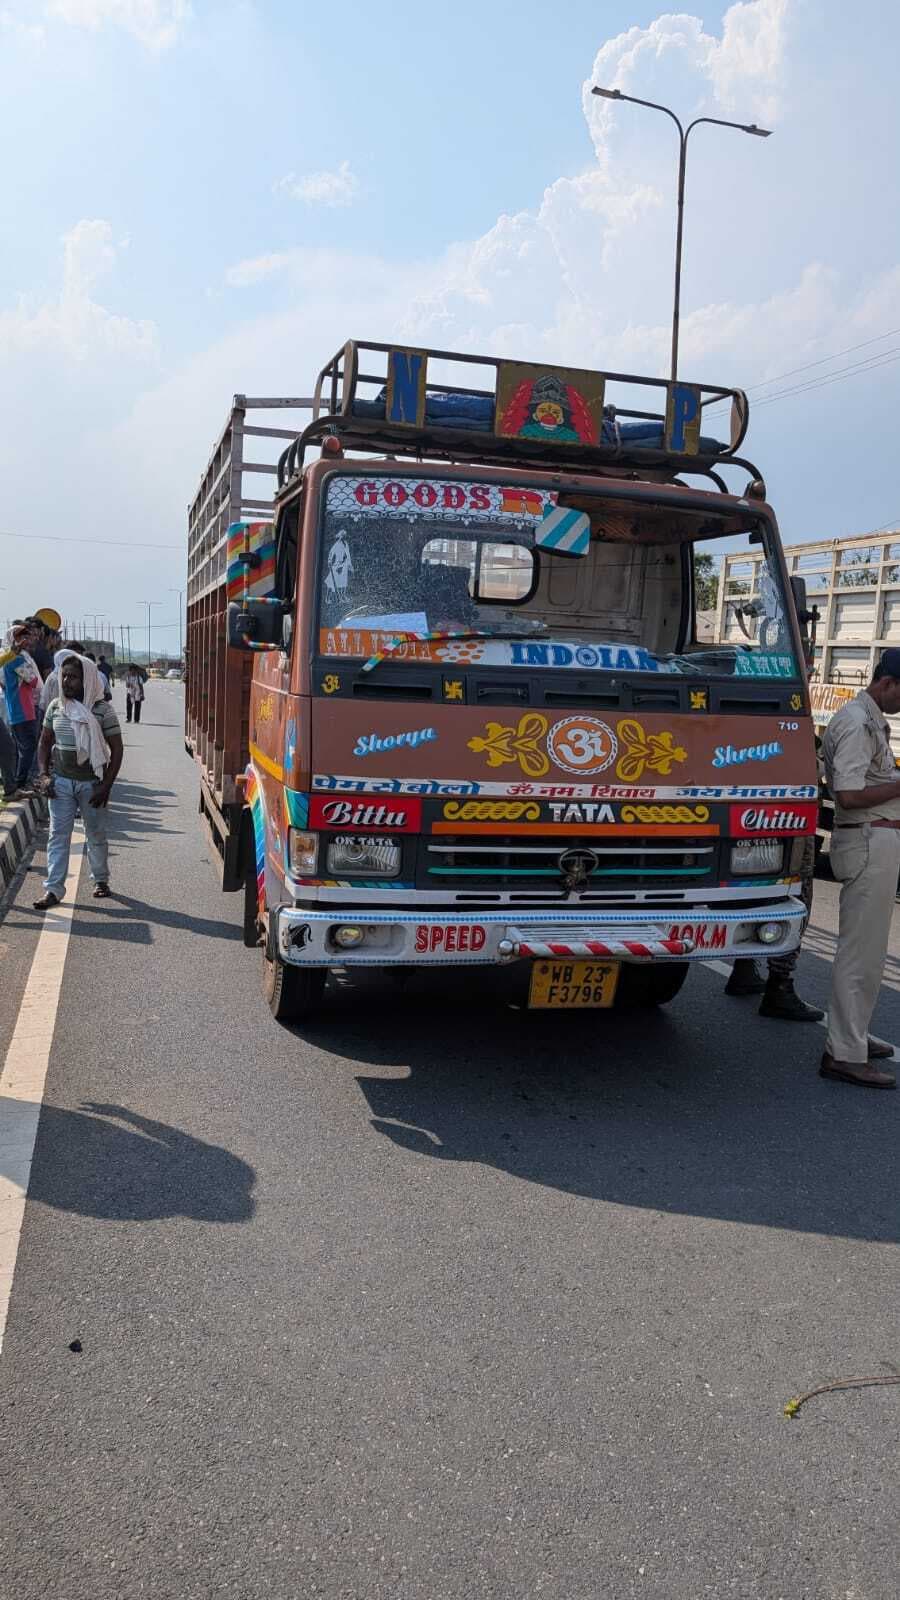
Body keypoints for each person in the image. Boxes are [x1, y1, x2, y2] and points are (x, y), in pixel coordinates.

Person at [816, 651, 900, 1089]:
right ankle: (844, 1054)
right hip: (867, 840)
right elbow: (848, 794)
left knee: (869, 953)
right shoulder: (856, 722)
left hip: (874, 840)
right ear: (887, 683)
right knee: (859, 953)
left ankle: (853, 1038)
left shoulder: (868, 719)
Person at [32, 651, 123, 910]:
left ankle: (100, 880)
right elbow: (44, 743)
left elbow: (117, 749)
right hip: (61, 784)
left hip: (91, 784)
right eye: (65, 676)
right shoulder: (56, 707)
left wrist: (106, 786)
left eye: (73, 677)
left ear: (87, 680)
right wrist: (44, 775)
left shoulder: (102, 710)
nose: (66, 681)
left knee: (95, 834)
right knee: (57, 836)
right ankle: (53, 889)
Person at [723, 834, 823, 1021]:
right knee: (796, 889)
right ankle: (779, 983)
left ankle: (745, 964)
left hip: (759, 821)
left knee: (756, 880)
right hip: (792, 821)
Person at [1, 622, 42, 791]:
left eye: (26, 636)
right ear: (13, 640)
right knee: (28, 746)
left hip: (17, 708)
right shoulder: (17, 660)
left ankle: (19, 780)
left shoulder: (9, 659)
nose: (25, 640)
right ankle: (21, 781)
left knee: (21, 746)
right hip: (23, 708)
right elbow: (33, 680)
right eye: (20, 637)